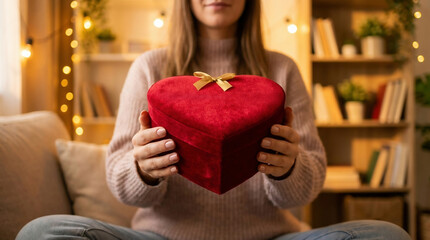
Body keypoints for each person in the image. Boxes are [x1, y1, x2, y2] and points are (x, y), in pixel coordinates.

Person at [17, 0, 411, 239]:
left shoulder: (282, 69)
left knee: (386, 234)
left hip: (272, 237)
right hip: (161, 237)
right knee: (43, 233)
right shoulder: (150, 68)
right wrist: (143, 169)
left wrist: (288, 168)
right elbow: (122, 184)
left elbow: (306, 189)